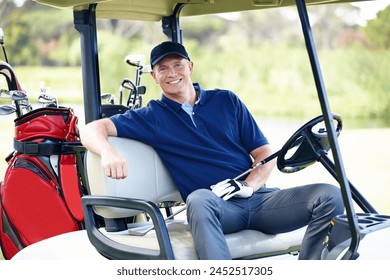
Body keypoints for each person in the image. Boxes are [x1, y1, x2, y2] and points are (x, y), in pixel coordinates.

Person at [80, 41, 344, 260]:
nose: (172, 73)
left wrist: (248, 186)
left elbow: (263, 152)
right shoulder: (151, 116)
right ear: (154, 76)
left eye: (177, 65)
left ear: (190, 67)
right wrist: (109, 153)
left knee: (330, 195)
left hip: (258, 200)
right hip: (217, 207)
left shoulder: (226, 101)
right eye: (163, 68)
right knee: (199, 198)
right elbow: (91, 129)